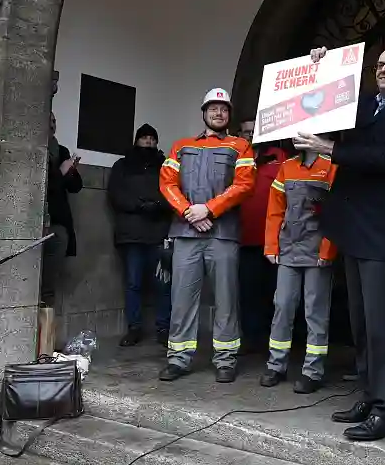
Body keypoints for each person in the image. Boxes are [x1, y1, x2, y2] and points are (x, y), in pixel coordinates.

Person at [294, 46, 385, 441]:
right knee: (361, 323)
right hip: (353, 227)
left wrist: (331, 150)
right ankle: (370, 396)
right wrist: (318, 66)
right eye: (380, 65)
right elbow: (323, 99)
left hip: (382, 229)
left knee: (381, 323)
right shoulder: (363, 104)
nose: (384, 70)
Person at [158, 88, 256, 383]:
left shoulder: (241, 146)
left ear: (229, 115)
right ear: (204, 113)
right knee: (182, 298)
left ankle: (225, 359)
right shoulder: (181, 146)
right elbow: (167, 183)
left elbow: (244, 185)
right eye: (213, 108)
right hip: (187, 232)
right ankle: (178, 358)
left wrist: (209, 210)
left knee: (226, 299)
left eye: (223, 109)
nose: (218, 113)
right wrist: (190, 211)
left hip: (223, 234)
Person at [259, 144, 337, 394]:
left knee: (315, 310)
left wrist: (328, 250)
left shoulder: (332, 167)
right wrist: (271, 245)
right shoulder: (287, 167)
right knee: (282, 305)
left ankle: (312, 371)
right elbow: (275, 210)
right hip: (289, 248)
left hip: (317, 250)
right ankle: (276, 365)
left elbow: (338, 212)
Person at [108, 123, 172, 347]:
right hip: (131, 235)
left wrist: (156, 205)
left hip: (158, 234)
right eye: (144, 138)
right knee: (133, 283)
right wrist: (139, 205)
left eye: (152, 139)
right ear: (136, 140)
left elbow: (174, 193)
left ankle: (164, 328)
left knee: (163, 284)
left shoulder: (166, 166)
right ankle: (134, 328)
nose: (148, 142)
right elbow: (115, 195)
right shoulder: (122, 165)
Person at [237, 118, 287, 354]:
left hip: (275, 242)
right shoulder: (235, 158)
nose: (249, 135)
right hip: (244, 239)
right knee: (248, 293)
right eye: (245, 132)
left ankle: (276, 341)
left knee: (276, 294)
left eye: (253, 131)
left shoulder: (278, 156)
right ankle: (253, 342)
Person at [41, 112, 83, 306]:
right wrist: (60, 173)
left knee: (48, 287)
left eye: (54, 121)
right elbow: (39, 186)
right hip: (35, 223)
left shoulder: (62, 151)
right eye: (47, 120)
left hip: (57, 224)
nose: (51, 125)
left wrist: (71, 171)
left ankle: (45, 333)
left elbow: (75, 187)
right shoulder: (32, 150)